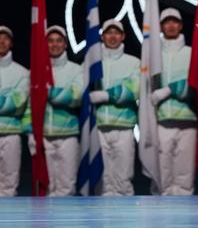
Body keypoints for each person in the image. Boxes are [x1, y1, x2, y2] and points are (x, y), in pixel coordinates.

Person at [23, 25, 83, 196]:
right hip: (43, 138)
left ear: (65, 44)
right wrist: (30, 134)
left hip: (68, 135)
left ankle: (65, 223)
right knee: (46, 188)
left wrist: (49, 91)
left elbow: (76, 96)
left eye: (59, 41)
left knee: (66, 187)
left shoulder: (76, 70)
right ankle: (48, 223)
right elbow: (28, 106)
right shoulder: (34, 72)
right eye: (50, 41)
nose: (55, 44)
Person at [149, 8, 198, 195]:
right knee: (164, 171)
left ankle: (184, 214)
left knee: (184, 172)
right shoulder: (153, 56)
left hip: (187, 119)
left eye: (174, 22)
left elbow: (194, 82)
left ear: (180, 25)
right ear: (161, 26)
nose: (171, 25)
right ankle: (162, 214)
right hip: (161, 119)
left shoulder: (191, 53)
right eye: (167, 22)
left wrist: (168, 90)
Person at [89, 19, 140, 196]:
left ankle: (125, 222)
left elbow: (135, 88)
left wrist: (106, 95)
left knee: (122, 179)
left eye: (116, 32)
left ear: (123, 36)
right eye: (108, 33)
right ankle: (105, 222)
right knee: (103, 181)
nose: (112, 36)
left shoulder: (133, 62)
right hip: (99, 128)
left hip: (123, 128)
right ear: (102, 37)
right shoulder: (93, 63)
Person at [0, 26, 29, 196]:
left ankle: (8, 223)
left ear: (11, 43)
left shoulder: (22, 73)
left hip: (11, 134)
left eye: (5, 38)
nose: (1, 42)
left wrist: (8, 101)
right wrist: (6, 97)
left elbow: (17, 104)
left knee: (9, 185)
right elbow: (8, 101)